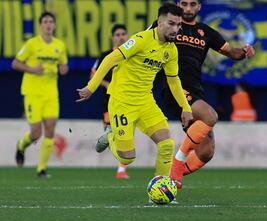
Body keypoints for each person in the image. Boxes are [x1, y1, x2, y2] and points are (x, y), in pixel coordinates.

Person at [77, 3, 193, 179]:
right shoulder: (141, 40)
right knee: (128, 158)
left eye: (178, 25)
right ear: (159, 22)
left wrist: (186, 108)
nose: (176, 29)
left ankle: (160, 188)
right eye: (171, 23)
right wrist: (91, 87)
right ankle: (110, 137)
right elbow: (109, 58)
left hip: (146, 102)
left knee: (167, 144)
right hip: (122, 101)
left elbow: (174, 81)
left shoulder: (171, 50)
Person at [156, 0, 255, 188]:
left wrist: (243, 51)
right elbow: (146, 41)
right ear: (178, 4)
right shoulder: (168, 25)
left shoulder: (206, 32)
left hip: (195, 90)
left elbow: (232, 52)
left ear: (199, 7)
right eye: (184, 3)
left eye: (193, 4)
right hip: (173, 86)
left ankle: (167, 179)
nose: (188, 8)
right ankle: (176, 168)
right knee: (210, 115)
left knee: (206, 152)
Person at [12, 11, 69, 178]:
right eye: (45, 21)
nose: (48, 24)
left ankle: (41, 169)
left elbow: (63, 65)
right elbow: (15, 63)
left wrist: (63, 69)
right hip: (32, 93)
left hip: (51, 93)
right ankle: (21, 146)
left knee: (50, 129)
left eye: (51, 21)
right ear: (40, 25)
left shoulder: (60, 45)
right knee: (36, 133)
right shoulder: (31, 44)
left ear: (55, 25)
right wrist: (32, 70)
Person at [91, 24, 130, 179]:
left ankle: (121, 170)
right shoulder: (105, 55)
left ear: (127, 36)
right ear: (113, 38)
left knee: (128, 134)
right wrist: (107, 84)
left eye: (123, 33)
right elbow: (93, 75)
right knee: (115, 133)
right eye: (117, 34)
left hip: (129, 100)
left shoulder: (132, 54)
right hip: (110, 101)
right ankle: (109, 137)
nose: (120, 37)